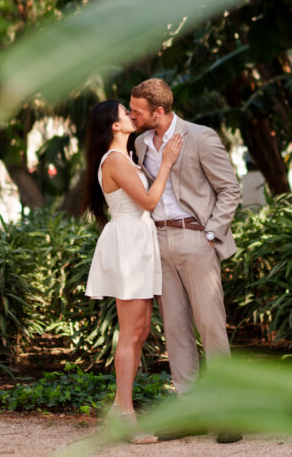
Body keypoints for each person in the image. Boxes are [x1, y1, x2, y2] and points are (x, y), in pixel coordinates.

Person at [129, 79, 243, 444]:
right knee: (176, 330)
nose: (133, 116)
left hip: (196, 238)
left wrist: (210, 235)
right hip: (158, 242)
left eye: (138, 112)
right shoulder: (140, 143)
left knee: (211, 327)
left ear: (158, 112)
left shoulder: (201, 137)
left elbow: (230, 189)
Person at [83, 99, 182, 444]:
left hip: (138, 241)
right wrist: (167, 162)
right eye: (126, 113)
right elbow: (149, 201)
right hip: (129, 243)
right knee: (131, 332)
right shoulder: (114, 160)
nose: (131, 116)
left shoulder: (125, 157)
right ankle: (125, 416)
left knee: (138, 331)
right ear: (114, 125)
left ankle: (118, 409)